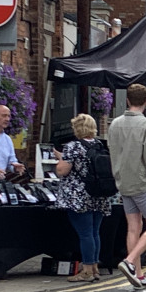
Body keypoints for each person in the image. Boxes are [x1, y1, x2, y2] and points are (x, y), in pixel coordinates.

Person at [107, 83, 146, 288]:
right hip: (143, 181)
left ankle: (138, 275)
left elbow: (112, 152)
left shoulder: (114, 124)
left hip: (123, 181)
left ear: (128, 100)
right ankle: (130, 262)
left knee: (134, 227)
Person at [53, 113, 111, 282]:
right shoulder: (100, 145)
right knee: (94, 232)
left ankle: (86, 271)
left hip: (79, 196)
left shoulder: (73, 147)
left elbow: (62, 170)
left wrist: (60, 158)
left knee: (85, 233)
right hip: (99, 194)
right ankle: (94, 269)